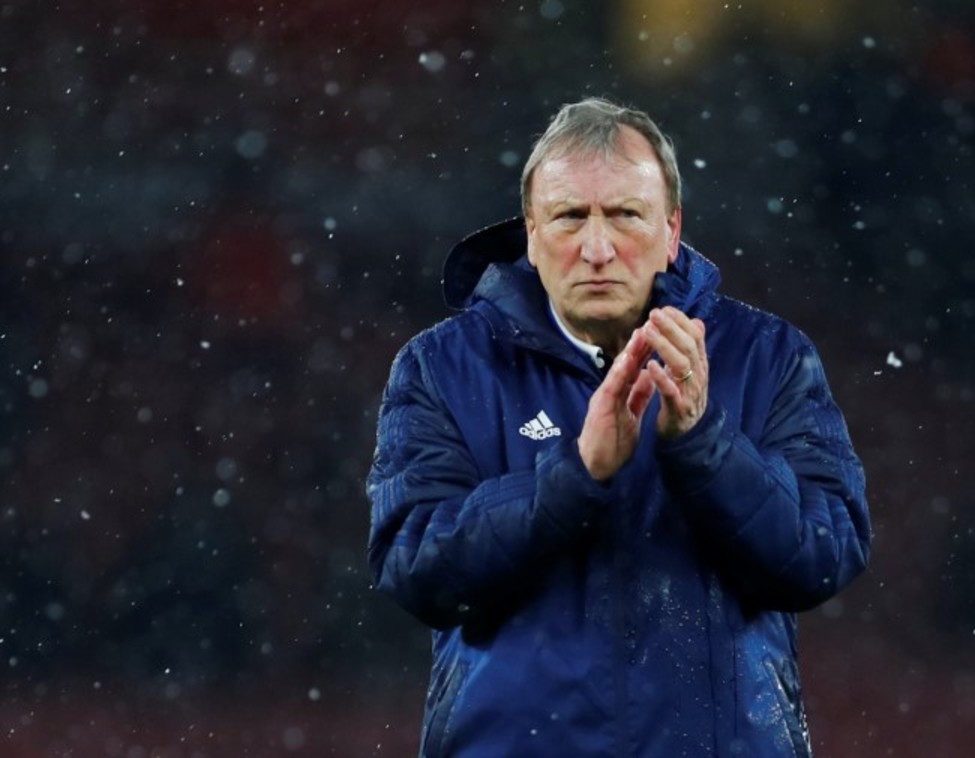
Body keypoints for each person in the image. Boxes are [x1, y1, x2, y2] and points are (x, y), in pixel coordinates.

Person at [367, 97, 871, 757]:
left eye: (626, 215)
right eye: (570, 216)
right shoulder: (440, 368)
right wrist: (574, 476)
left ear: (671, 229)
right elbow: (416, 569)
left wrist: (703, 443)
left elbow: (822, 558)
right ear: (531, 233)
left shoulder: (769, 357)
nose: (598, 249)